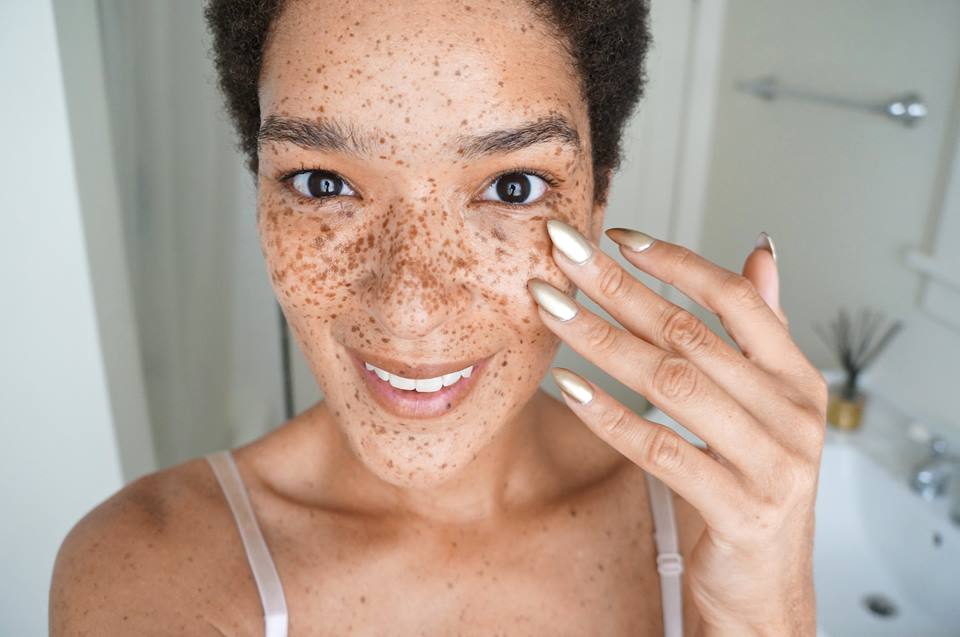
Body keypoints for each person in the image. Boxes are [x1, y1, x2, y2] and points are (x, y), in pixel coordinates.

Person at [50, 1, 827, 635]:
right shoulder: (151, 566)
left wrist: (770, 620)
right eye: (322, 183)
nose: (411, 309)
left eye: (513, 187)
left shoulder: (717, 532)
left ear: (596, 203)